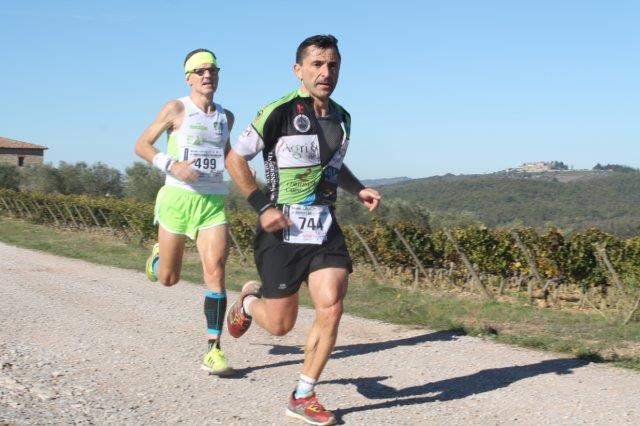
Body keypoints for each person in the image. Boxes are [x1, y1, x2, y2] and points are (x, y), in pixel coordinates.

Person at [225, 35, 381, 425]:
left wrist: (358, 188)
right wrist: (262, 207)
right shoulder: (277, 112)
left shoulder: (342, 118)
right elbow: (235, 159)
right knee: (281, 325)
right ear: (299, 70)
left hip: (324, 226)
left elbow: (333, 167)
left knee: (332, 306)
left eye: (333, 65)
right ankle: (248, 301)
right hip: (281, 226)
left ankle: (303, 393)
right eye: (317, 64)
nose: (326, 72)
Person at [134, 48, 235, 376]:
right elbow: (142, 145)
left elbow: (228, 154)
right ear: (189, 77)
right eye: (200, 71)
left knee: (216, 271)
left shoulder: (226, 117)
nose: (208, 76)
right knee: (169, 279)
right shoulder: (176, 108)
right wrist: (172, 164)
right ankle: (158, 260)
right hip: (177, 201)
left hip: (212, 204)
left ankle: (213, 349)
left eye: (213, 70)